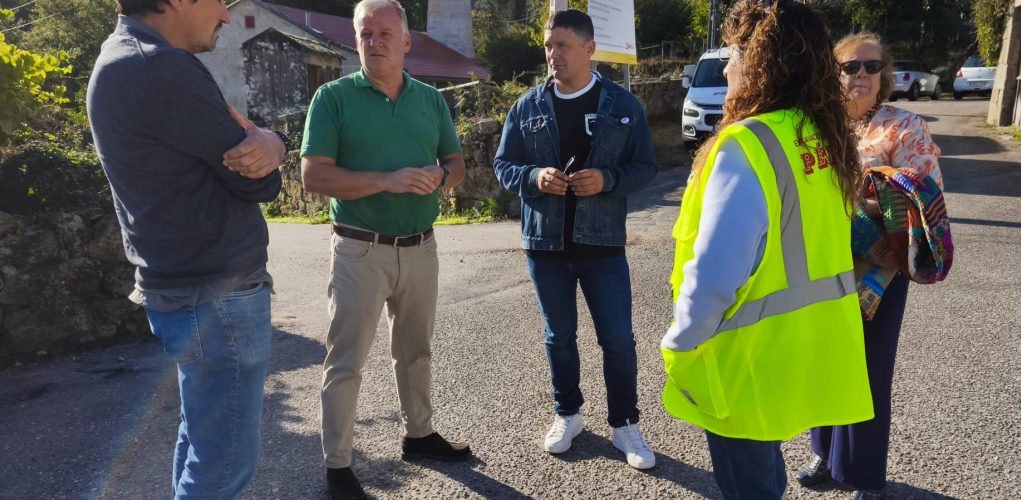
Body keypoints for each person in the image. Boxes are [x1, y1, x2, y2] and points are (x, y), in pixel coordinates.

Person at [659, 1, 875, 499]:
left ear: (759, 64)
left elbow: (715, 275)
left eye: (734, 56)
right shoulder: (820, 134)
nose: (727, 69)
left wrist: (681, 340)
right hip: (803, 345)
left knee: (749, 483)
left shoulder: (747, 143)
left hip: (747, 354)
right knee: (764, 473)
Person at [87, 0, 288, 498]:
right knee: (224, 462)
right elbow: (259, 182)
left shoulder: (121, 56)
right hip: (216, 294)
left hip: (186, 290)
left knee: (202, 436)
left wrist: (270, 142)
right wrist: (274, 143)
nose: (225, 15)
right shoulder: (160, 67)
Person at [299, 0, 470, 498]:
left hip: (421, 247)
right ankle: (338, 466)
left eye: (385, 34)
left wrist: (441, 174)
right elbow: (313, 176)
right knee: (346, 361)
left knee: (416, 352)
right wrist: (385, 181)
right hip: (360, 249)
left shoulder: (431, 100)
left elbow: (456, 163)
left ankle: (419, 435)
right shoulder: (332, 98)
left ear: (406, 42)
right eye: (365, 34)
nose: (374, 43)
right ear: (355, 40)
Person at [493, 9, 658, 470]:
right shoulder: (527, 106)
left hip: (602, 245)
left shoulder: (622, 105)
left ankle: (625, 424)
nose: (553, 54)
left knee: (618, 339)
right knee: (558, 337)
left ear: (589, 49)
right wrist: (534, 177)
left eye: (562, 45)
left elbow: (645, 167)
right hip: (545, 246)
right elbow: (504, 165)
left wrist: (607, 179)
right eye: (549, 45)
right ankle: (568, 414)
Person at [796, 33, 945, 500]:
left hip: (879, 268)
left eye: (871, 66)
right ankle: (824, 452)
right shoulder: (818, 125)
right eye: (850, 66)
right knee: (824, 357)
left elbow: (923, 193)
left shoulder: (905, 127)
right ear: (833, 73)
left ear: (885, 75)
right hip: (822, 261)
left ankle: (863, 475)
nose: (861, 74)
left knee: (868, 368)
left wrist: (861, 199)